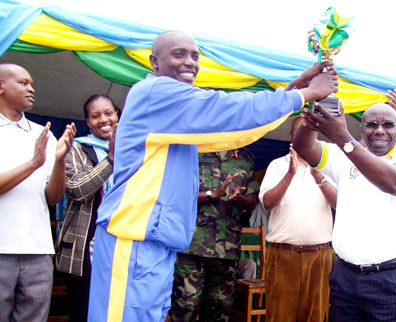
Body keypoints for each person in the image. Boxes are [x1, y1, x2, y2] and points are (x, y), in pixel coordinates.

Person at [88, 30, 338, 322]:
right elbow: (226, 109)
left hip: (154, 243)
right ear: (154, 62)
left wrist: (294, 89)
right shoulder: (155, 93)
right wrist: (304, 94)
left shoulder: (175, 118)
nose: (190, 63)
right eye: (179, 54)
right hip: (131, 239)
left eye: (195, 56)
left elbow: (234, 131)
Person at [292, 100, 396, 321]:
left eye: (387, 124)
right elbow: (304, 147)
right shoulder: (343, 159)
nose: (379, 130)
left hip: (392, 280)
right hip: (345, 277)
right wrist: (314, 118)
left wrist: (344, 139)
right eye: (371, 124)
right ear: (361, 128)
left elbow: (394, 184)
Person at [0, 63, 76, 322]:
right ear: (1, 86)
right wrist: (34, 163)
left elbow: (53, 198)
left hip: (39, 250)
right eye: (23, 83)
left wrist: (58, 161)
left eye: (32, 83)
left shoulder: (43, 134)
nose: (31, 89)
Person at [259, 115, 337, 322]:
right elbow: (267, 203)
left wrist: (320, 178)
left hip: (319, 256)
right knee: (279, 316)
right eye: (301, 131)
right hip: (283, 255)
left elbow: (340, 204)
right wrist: (289, 175)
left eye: (310, 132)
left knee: (315, 316)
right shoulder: (277, 165)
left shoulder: (328, 166)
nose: (306, 135)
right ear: (292, 137)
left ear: (316, 136)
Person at [170, 148, 258, 322]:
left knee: (220, 311)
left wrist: (238, 198)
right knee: (185, 308)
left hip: (227, 248)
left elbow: (253, 202)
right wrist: (212, 194)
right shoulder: (196, 150)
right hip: (192, 246)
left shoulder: (245, 157)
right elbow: (176, 193)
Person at [54, 94, 119, 322]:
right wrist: (111, 158)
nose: (104, 119)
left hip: (121, 245)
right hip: (84, 247)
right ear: (88, 122)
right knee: (82, 312)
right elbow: (77, 190)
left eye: (108, 113)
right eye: (95, 116)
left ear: (118, 115)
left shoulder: (134, 152)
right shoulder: (76, 148)